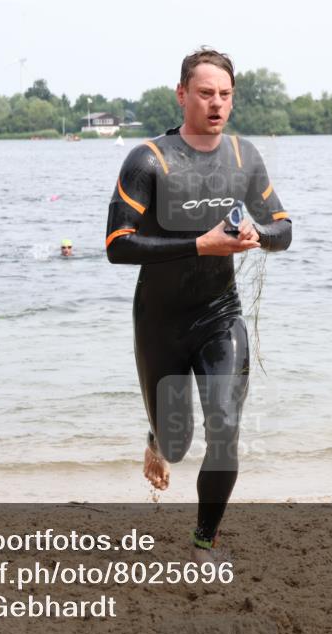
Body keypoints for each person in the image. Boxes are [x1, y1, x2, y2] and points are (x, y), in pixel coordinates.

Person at [105, 48, 292, 560]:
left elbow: (285, 228)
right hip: (160, 323)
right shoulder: (149, 160)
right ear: (182, 94)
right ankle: (157, 438)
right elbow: (117, 245)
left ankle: (203, 541)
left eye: (225, 95)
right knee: (177, 441)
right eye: (205, 93)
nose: (216, 104)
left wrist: (261, 232)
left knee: (225, 425)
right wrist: (199, 245)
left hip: (219, 314)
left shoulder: (242, 157)